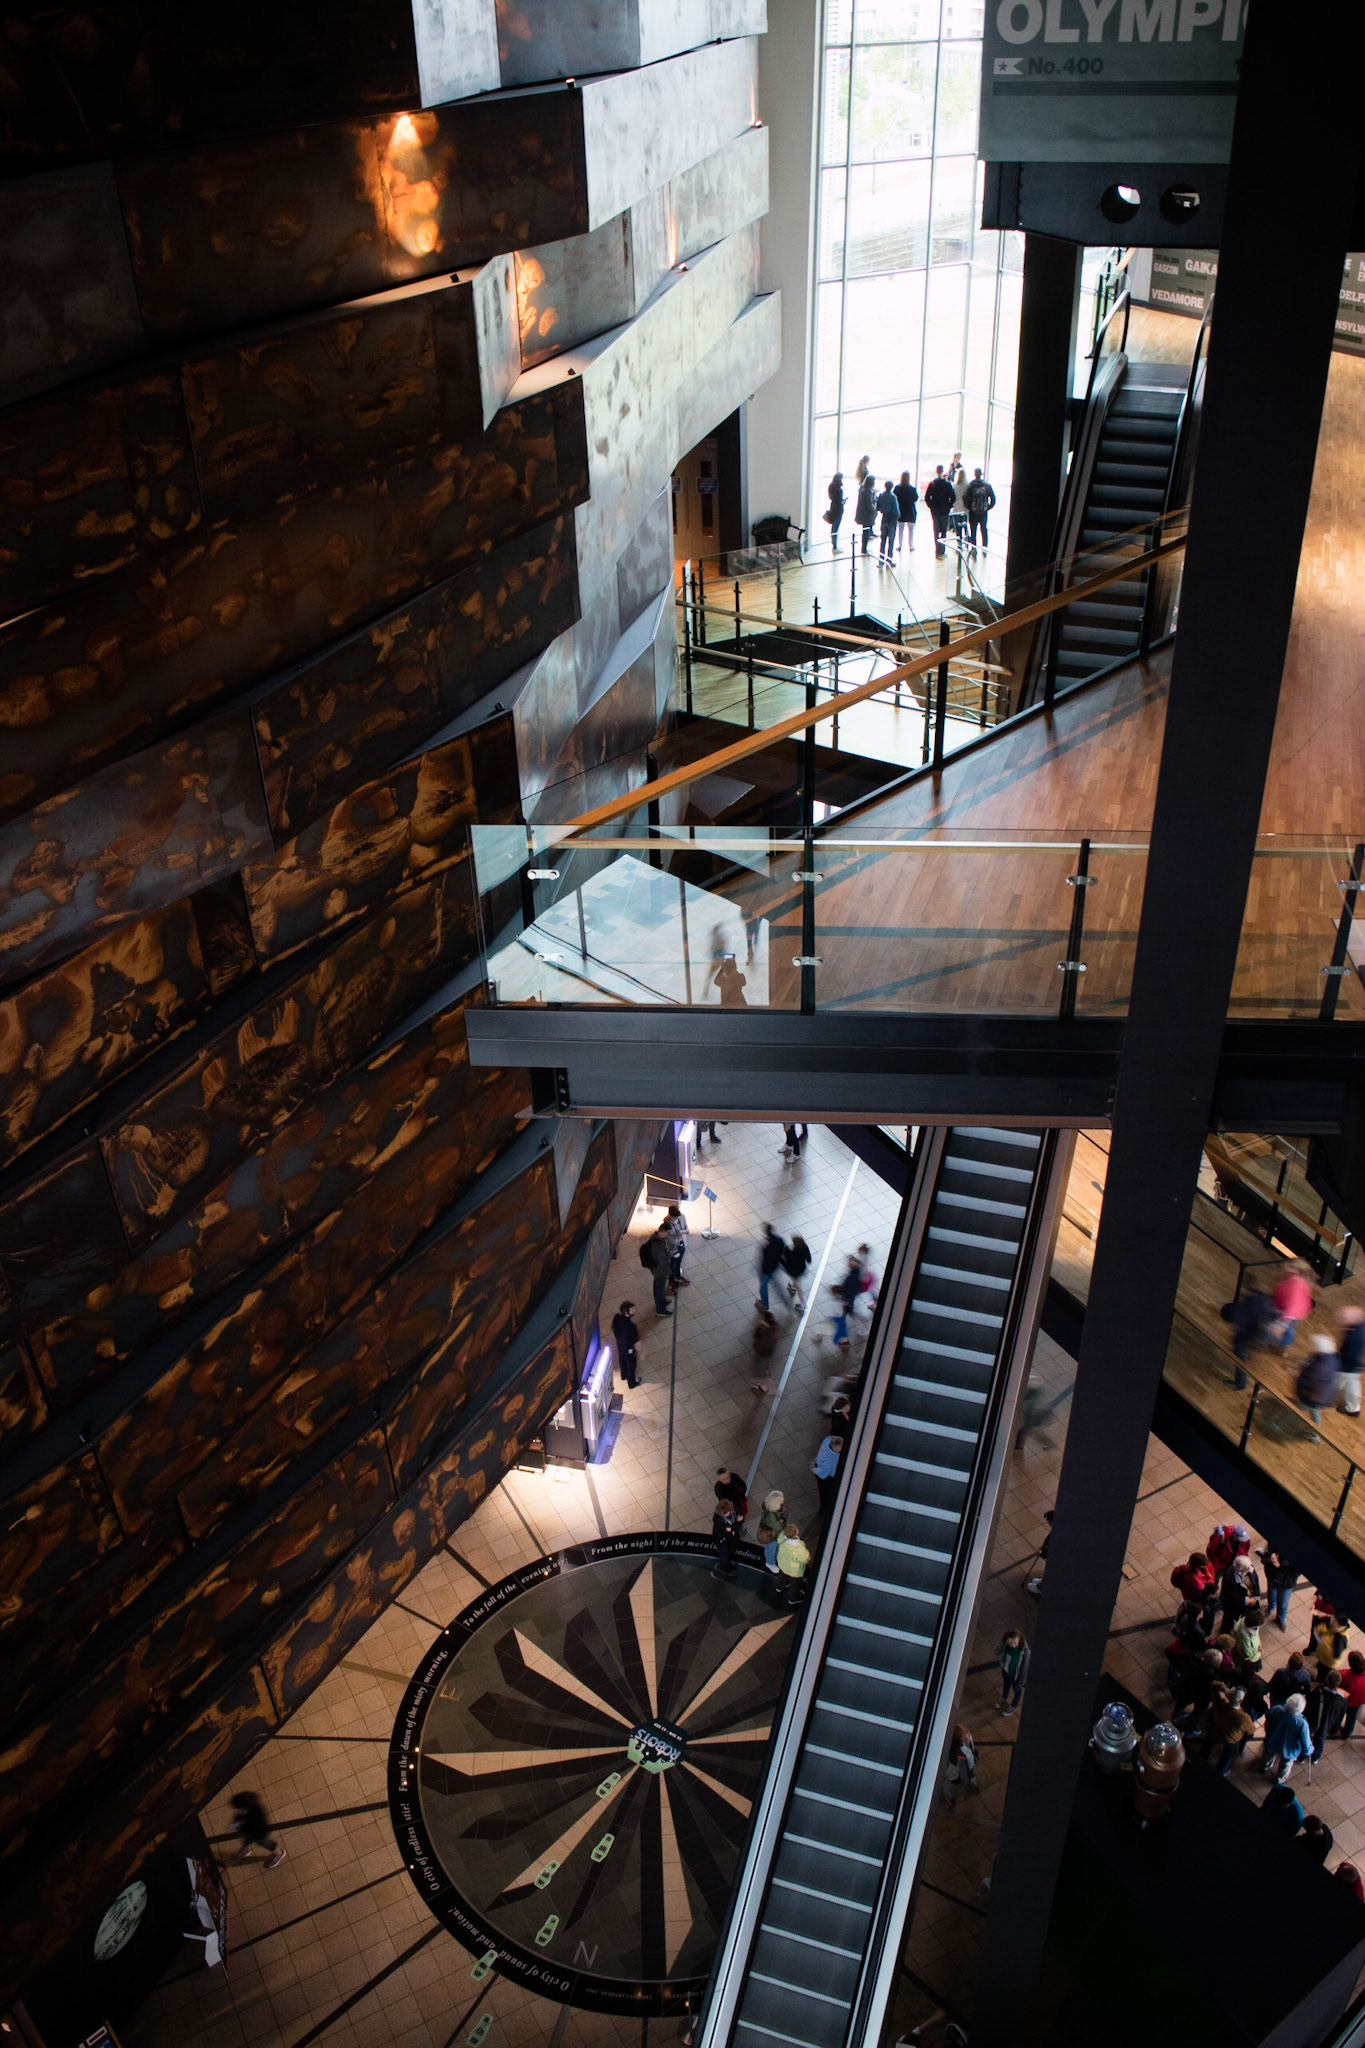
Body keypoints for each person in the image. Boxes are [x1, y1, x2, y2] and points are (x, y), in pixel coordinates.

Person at [1201, 1682, 1253, 1777]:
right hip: (1230, 1739)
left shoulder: (1219, 1702)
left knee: (1207, 1745)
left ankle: (1200, 1760)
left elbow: (1215, 1684)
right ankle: (1220, 1772)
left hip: (1214, 1729)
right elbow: (1251, 1730)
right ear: (1241, 1701)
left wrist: (1225, 1690)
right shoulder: (1243, 1717)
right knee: (1228, 1755)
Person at [1228, 1282, 1273, 1389]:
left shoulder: (1250, 1305)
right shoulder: (1262, 1300)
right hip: (1254, 1337)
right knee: (1243, 1355)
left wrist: (1237, 1329)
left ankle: (1240, 1383)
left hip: (1245, 1336)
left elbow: (1244, 1319)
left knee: (1240, 1357)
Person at [1261, 1691, 1313, 1782]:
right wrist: (1309, 1750)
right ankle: (1279, 1779)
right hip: (1289, 1750)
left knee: (1268, 1755)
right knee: (1285, 1765)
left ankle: (1265, 1766)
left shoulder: (1277, 1709)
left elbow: (1268, 1715)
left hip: (1273, 1740)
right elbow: (1305, 1742)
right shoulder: (1302, 1723)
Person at [230, 1790, 286, 1868]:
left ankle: (279, 1853)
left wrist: (239, 1825)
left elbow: (251, 1824)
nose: (238, 1810)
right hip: (251, 1832)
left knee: (268, 1844)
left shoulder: (255, 1814)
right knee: (246, 1841)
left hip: (259, 1835)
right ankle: (244, 1850)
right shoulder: (250, 1807)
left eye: (239, 1808)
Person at [1296, 1333, 1339, 1429]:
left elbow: (1311, 1383)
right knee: (1314, 1411)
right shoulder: (1330, 1358)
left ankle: (1315, 1434)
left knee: (1306, 1410)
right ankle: (1315, 1433)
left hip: (1315, 1397)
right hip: (1322, 1397)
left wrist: (1297, 1378)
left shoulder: (1320, 1366)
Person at [1271, 1259, 1314, 1351]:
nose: (1287, 1266)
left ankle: (1285, 1344)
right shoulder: (1289, 1277)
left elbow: (1293, 1305)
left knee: (1289, 1328)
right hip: (1284, 1308)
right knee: (1287, 1327)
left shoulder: (1296, 1285)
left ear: (1298, 1271)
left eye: (1291, 1266)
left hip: (1292, 1313)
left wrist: (1283, 1322)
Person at [1305, 1672, 1347, 1760]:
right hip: (1326, 1723)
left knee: (1306, 1737)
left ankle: (1302, 1755)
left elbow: (1308, 1702)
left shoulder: (1317, 1692)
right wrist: (1334, 1729)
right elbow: (1340, 1716)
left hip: (1312, 1719)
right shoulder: (1342, 1700)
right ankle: (1315, 1757)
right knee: (1320, 1740)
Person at [1219, 1553, 1261, 1638]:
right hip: (1233, 1606)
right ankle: (1225, 1631)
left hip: (1248, 1601)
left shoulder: (1248, 1566)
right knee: (1229, 1619)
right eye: (1247, 1569)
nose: (1250, 1569)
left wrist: (1255, 1597)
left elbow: (1256, 1581)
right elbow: (1231, 1596)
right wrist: (1247, 1601)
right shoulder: (1229, 1577)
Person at [1259, 1545, 1298, 1632]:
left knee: (1283, 1603)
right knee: (1271, 1592)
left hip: (1285, 1583)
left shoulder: (1298, 1555)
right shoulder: (1275, 1545)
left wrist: (1279, 1566)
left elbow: (1295, 1573)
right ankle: (1271, 1607)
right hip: (1273, 1577)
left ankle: (1280, 1619)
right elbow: (1266, 1557)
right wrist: (1268, 1558)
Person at [1338, 1306, 1364, 1414]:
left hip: (1351, 1364)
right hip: (1353, 1364)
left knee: (1344, 1380)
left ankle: (1353, 1408)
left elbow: (1352, 1353)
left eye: (1344, 1317)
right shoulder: (1357, 1327)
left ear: (1354, 1318)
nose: (1342, 1319)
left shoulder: (1358, 1335)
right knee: (1352, 1382)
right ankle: (1354, 1407)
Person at [924, 465, 954, 557]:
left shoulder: (932, 484)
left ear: (936, 472)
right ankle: (942, 551)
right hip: (945, 510)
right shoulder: (947, 484)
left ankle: (937, 550)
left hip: (935, 511)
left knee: (936, 531)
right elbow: (952, 497)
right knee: (944, 531)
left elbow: (927, 497)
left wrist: (931, 506)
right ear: (943, 471)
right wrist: (949, 506)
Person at [812, 1433, 843, 1522]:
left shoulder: (828, 1440)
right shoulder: (830, 1462)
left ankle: (824, 1508)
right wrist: (814, 1469)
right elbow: (822, 1474)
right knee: (826, 1493)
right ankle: (824, 1508)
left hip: (819, 1466)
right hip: (827, 1478)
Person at [642, 1224, 672, 1315]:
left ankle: (660, 1302)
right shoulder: (658, 1244)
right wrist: (670, 1254)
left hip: (656, 1269)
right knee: (660, 1289)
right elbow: (662, 1261)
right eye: (668, 1233)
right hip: (659, 1270)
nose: (668, 1235)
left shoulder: (655, 1237)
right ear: (662, 1232)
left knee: (657, 1287)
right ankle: (661, 1310)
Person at [999, 1629, 1030, 1718]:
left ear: (1019, 1641)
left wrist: (1021, 1682)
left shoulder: (1025, 1652)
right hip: (1006, 1672)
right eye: (1010, 1642)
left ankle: (1013, 1706)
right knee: (1006, 1685)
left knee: (1017, 1691)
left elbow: (1025, 1670)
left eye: (1015, 1643)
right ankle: (1004, 1697)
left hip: (1016, 1677)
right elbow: (999, 1652)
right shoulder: (1005, 1645)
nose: (1012, 1645)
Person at [943, 1723, 978, 1804]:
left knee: (972, 1775)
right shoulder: (954, 1752)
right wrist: (955, 1780)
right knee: (950, 1786)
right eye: (964, 1737)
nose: (968, 1738)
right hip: (958, 1771)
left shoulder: (967, 1736)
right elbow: (952, 1771)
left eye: (968, 1735)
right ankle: (949, 1797)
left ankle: (973, 1783)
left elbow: (971, 1748)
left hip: (969, 1764)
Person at [776, 1522, 810, 1604]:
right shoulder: (799, 1548)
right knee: (795, 1585)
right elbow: (806, 1559)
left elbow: (781, 1533)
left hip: (783, 1565)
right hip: (794, 1571)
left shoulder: (781, 1537)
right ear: (797, 1532)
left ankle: (779, 1587)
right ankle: (793, 1599)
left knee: (782, 1576)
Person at [1312, 1609, 1352, 1679]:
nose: (1331, 1621)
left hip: (1328, 1662)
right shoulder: (1333, 1626)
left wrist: (1323, 1643)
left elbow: (1336, 1655)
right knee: (1320, 1666)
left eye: (1334, 1621)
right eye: (1332, 1618)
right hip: (1323, 1657)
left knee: (1323, 1673)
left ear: (1339, 1625)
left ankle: (1319, 1679)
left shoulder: (1340, 1638)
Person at [964, 469, 996, 551]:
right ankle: (984, 548)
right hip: (983, 512)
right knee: (984, 530)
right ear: (981, 474)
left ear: (975, 474)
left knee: (973, 531)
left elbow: (966, 499)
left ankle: (974, 548)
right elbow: (993, 499)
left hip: (973, 513)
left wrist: (969, 507)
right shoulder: (987, 485)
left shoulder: (971, 485)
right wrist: (987, 507)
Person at [756, 1223, 787, 1310]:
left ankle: (765, 1304)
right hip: (775, 1267)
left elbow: (765, 1259)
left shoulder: (766, 1247)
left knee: (763, 1287)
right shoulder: (780, 1241)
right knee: (776, 1285)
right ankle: (784, 1299)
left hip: (766, 1269)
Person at [612, 1301, 641, 1388]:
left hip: (620, 1344)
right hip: (629, 1348)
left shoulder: (616, 1318)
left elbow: (613, 1328)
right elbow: (636, 1342)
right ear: (627, 1312)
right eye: (632, 1309)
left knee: (622, 1359)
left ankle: (623, 1375)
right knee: (631, 1364)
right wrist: (640, 1352)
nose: (634, 1311)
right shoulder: (631, 1326)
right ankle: (631, 1383)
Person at [757, 1489, 787, 1571]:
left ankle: (776, 1556)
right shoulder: (771, 1516)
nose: (783, 1504)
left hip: (772, 1534)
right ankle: (770, 1563)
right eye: (781, 1503)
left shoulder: (768, 1507)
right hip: (771, 1536)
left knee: (774, 1547)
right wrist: (781, 1521)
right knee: (771, 1548)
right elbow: (778, 1527)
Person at [1232, 1602, 1264, 1678]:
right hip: (1249, 1658)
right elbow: (1249, 1655)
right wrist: (1259, 1654)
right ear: (1252, 1626)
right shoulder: (1246, 1639)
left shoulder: (1244, 1622)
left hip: (1241, 1648)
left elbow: (1256, 1635)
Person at [1338, 1649, 1365, 1737]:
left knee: (1340, 1713)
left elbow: (1340, 1687)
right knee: (1352, 1717)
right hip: (1361, 1699)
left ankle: (1335, 1727)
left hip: (1348, 1701)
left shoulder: (1346, 1677)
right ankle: (1347, 1733)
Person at [751, 1307, 779, 1392]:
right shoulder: (772, 1328)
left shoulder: (767, 1335)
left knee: (759, 1367)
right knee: (765, 1366)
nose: (759, 1319)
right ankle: (767, 1378)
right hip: (766, 1352)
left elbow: (760, 1342)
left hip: (763, 1352)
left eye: (762, 1319)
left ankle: (763, 1385)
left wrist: (757, 1347)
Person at [711, 1495, 739, 1579]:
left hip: (729, 1537)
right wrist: (736, 1523)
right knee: (724, 1554)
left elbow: (730, 1529)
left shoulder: (731, 1507)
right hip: (721, 1539)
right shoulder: (718, 1520)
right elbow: (725, 1532)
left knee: (729, 1551)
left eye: (730, 1511)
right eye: (727, 1513)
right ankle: (724, 1569)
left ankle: (727, 1563)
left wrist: (732, 1528)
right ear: (721, 1513)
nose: (730, 1513)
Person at [781, 1233, 812, 1306]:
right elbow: (809, 1260)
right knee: (796, 1281)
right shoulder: (805, 1247)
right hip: (802, 1269)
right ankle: (792, 1288)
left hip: (795, 1271)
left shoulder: (794, 1252)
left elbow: (788, 1260)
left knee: (799, 1287)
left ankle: (802, 1304)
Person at [665, 1203, 689, 1289]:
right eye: (675, 1217)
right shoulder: (667, 1224)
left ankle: (678, 1277)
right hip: (673, 1247)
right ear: (670, 1215)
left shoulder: (681, 1217)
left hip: (681, 1244)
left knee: (679, 1262)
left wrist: (685, 1231)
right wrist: (676, 1235)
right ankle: (672, 1281)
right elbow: (668, 1238)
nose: (676, 1218)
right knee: (673, 1265)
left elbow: (685, 1226)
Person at [876, 478, 899, 564]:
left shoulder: (881, 495)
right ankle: (889, 560)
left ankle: (880, 560)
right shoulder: (893, 497)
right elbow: (896, 510)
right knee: (891, 541)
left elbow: (878, 507)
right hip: (892, 521)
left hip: (884, 519)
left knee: (883, 541)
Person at [894, 470, 918, 551]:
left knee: (901, 529)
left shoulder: (897, 488)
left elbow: (895, 499)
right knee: (911, 530)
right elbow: (916, 498)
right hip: (910, 511)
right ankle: (911, 545)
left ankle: (900, 545)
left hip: (901, 511)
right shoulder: (912, 489)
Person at [948, 457, 969, 548]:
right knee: (965, 525)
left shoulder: (953, 485)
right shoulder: (968, 485)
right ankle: (967, 540)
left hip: (956, 508)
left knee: (957, 527)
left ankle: (959, 542)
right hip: (965, 508)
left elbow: (951, 497)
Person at [855, 470, 877, 554]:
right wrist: (874, 510)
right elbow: (869, 505)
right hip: (866, 515)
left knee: (865, 532)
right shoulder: (868, 492)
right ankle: (864, 549)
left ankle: (864, 548)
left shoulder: (863, 490)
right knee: (866, 533)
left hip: (863, 514)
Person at [825, 470, 845, 548]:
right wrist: (843, 501)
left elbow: (832, 498)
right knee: (836, 526)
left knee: (834, 527)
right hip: (838, 509)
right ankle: (835, 546)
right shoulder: (839, 489)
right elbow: (840, 500)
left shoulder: (831, 486)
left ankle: (834, 544)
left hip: (833, 507)